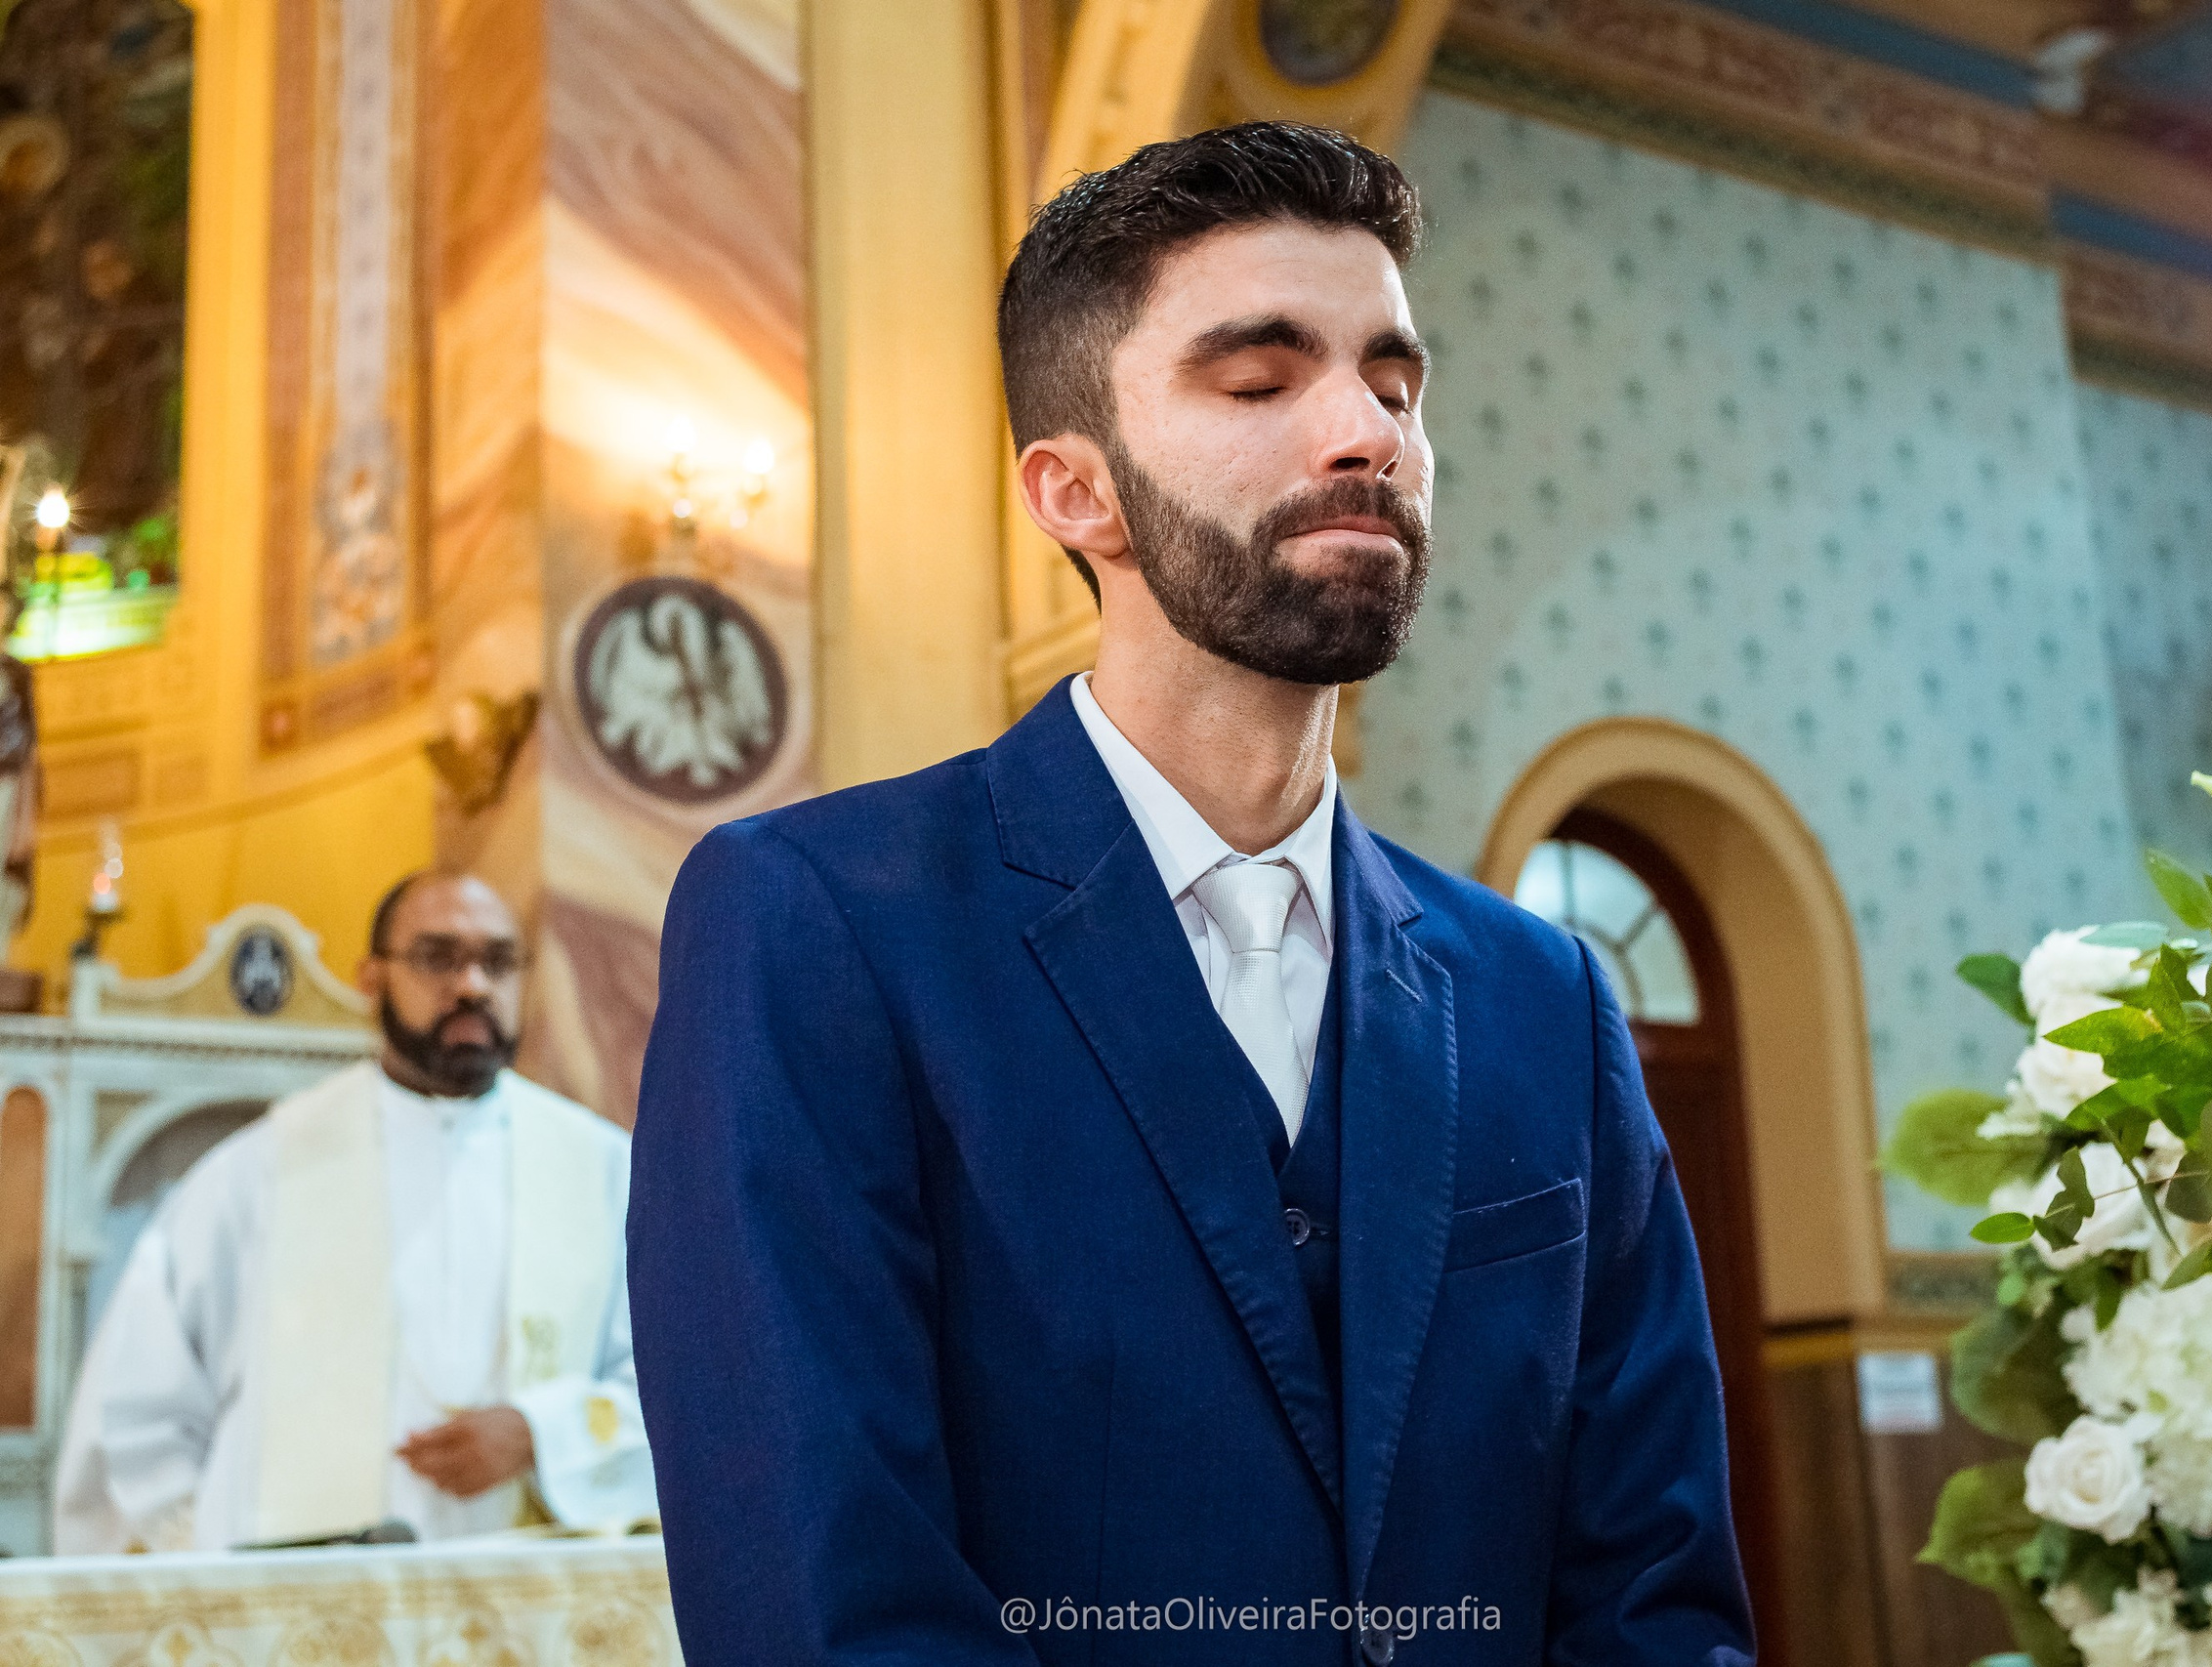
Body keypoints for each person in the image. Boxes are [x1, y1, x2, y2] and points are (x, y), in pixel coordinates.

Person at [631, 122, 1754, 1665]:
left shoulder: (1540, 998)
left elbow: (1655, 1585)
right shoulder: (817, 923)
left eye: (1395, 380)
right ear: (1076, 491)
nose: (1365, 430)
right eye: (1260, 379)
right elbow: (827, 1596)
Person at [55, 872, 654, 1552]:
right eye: (437, 957)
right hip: (310, 1617)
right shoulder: (256, 1174)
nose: (473, 986)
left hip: (542, 1614)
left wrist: (545, 1434)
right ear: (371, 978)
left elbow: (684, 1376)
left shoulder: (606, 1170)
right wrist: (208, 1567)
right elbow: (139, 1407)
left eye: (498, 961)